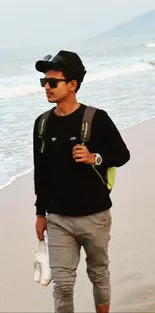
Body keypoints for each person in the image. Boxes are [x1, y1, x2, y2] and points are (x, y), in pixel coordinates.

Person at [33, 50, 130, 313]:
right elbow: (40, 173)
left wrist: (94, 157)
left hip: (95, 215)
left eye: (53, 82)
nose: (47, 88)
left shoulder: (96, 118)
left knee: (98, 273)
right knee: (62, 286)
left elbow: (122, 155)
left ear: (73, 85)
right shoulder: (41, 124)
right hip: (58, 219)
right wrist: (40, 213)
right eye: (44, 82)